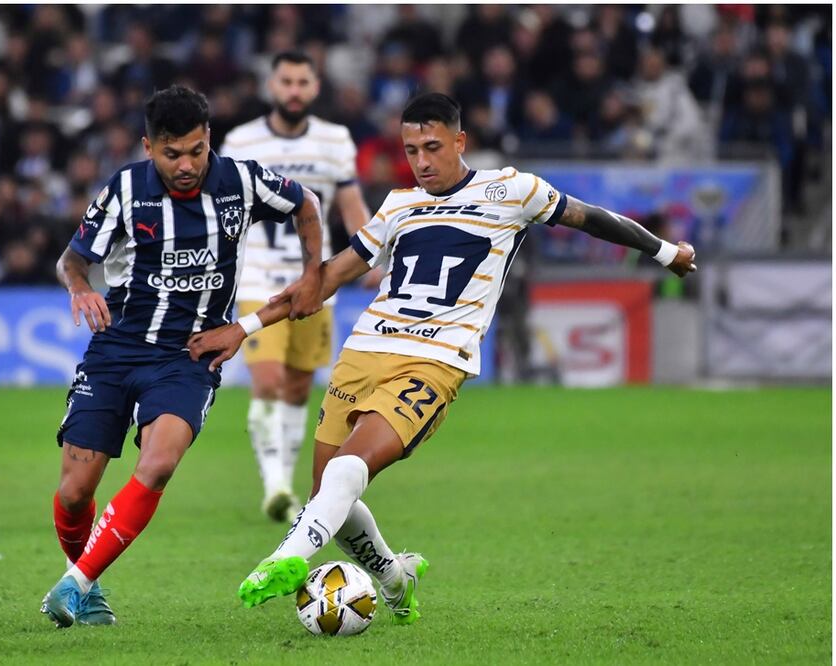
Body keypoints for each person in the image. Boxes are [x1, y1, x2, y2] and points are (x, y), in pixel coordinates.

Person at [188, 93, 696, 625]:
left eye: (433, 147)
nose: (422, 161)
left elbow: (589, 218)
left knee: (346, 471)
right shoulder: (398, 205)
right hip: (362, 354)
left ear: (460, 142)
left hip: (433, 361)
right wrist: (242, 328)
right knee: (328, 499)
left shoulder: (512, 190)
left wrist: (665, 251)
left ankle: (285, 559)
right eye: (411, 150)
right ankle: (394, 577)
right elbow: (328, 277)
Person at [40, 85, 326, 628]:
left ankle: (73, 585)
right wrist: (80, 289)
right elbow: (73, 260)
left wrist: (313, 271)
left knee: (161, 460)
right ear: (149, 148)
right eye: (173, 154)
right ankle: (87, 580)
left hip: (189, 355)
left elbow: (305, 203)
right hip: (117, 349)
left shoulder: (241, 181)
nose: (187, 165)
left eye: (197, 150)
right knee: (76, 493)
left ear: (208, 140)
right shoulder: (125, 190)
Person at [220, 50, 376, 522]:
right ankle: (278, 488)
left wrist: (372, 254)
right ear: (272, 85)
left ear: (315, 87)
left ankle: (282, 481)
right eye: (285, 81)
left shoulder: (334, 140)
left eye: (302, 82)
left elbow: (350, 203)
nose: (293, 90)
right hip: (258, 276)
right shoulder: (241, 140)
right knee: (266, 381)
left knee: (296, 388)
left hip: (315, 279)